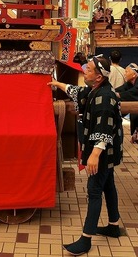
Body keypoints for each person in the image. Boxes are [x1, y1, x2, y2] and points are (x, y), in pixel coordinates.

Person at [49, 56, 123, 255]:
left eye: (88, 69)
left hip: (103, 151)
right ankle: (114, 225)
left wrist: (95, 155)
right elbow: (78, 92)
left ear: (98, 77)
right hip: (107, 151)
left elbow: (104, 128)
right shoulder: (96, 89)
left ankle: (86, 239)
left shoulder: (104, 98)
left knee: (94, 190)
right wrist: (57, 83)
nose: (84, 71)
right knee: (108, 185)